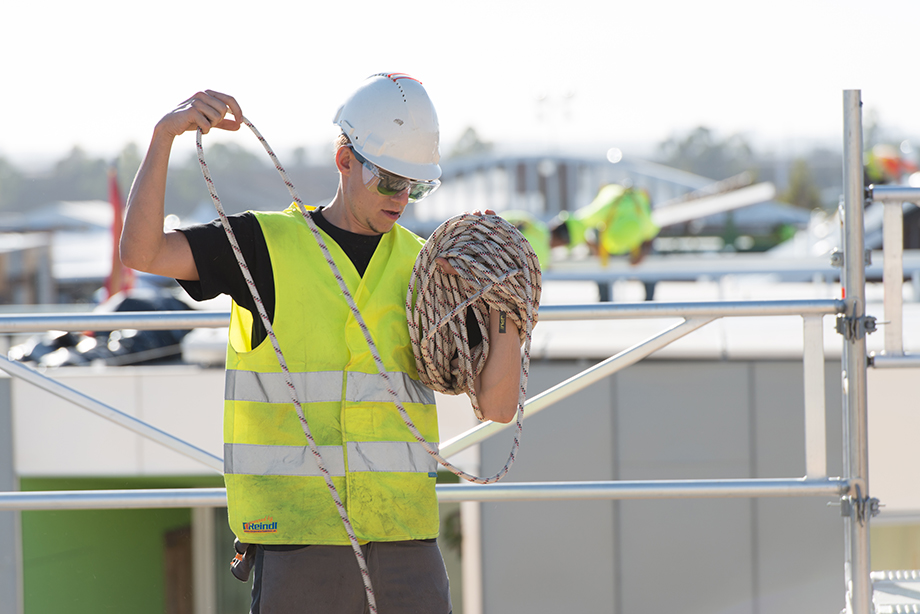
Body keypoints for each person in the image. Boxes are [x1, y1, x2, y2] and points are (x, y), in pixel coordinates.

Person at [120, 74, 523, 613]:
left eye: (415, 186)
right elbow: (143, 252)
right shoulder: (263, 246)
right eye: (388, 181)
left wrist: (507, 308)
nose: (400, 198)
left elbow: (497, 408)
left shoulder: (430, 269)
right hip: (297, 541)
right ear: (345, 160)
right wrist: (164, 136)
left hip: (406, 542)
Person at [549, 183, 659, 301]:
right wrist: (643, 254)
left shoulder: (610, 205)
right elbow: (652, 232)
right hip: (625, 246)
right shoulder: (628, 206)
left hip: (623, 247)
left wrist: (593, 246)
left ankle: (605, 300)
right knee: (649, 264)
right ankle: (649, 301)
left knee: (649, 264)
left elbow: (579, 223)